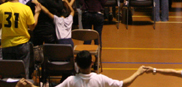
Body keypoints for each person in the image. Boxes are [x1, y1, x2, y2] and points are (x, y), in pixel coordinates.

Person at [16, 51, 147, 87]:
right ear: (91, 63)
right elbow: (123, 84)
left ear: (77, 64)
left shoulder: (70, 81)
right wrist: (137, 73)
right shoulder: (100, 79)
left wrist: (30, 86)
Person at [0, 0, 40, 78]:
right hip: (22, 44)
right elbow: (32, 26)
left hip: (6, 44)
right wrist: (37, 13)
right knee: (23, 73)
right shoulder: (25, 9)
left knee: (8, 73)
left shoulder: (1, 8)